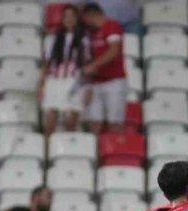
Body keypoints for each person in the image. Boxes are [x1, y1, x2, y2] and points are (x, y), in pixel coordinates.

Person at [38, 4, 90, 136]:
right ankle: (48, 154)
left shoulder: (84, 39)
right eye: (66, 16)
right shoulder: (52, 38)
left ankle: (67, 153)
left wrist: (88, 87)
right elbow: (46, 63)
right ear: (61, 19)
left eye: (72, 16)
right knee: (50, 121)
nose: (69, 19)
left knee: (71, 122)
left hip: (74, 80)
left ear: (77, 19)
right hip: (54, 80)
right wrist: (40, 84)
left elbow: (86, 64)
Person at [81, 3, 128, 134]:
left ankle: (115, 152)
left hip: (114, 81)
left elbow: (113, 51)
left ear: (92, 15)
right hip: (95, 83)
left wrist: (94, 65)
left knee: (115, 122)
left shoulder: (112, 26)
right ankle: (94, 152)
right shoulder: (90, 33)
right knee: (94, 122)